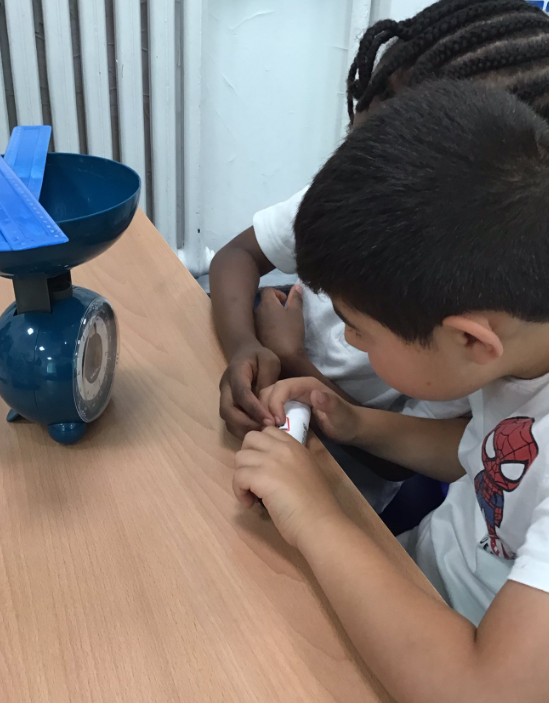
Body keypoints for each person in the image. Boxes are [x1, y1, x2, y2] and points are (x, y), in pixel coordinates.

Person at [233, 80, 549, 703]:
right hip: (410, 585)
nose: (348, 339)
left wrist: (314, 517)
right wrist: (356, 423)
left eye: (359, 328)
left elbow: (485, 689)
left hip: (445, 661)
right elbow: (486, 454)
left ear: (470, 340)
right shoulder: (520, 344)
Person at [210, 0, 549, 511]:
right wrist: (246, 346)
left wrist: (294, 359)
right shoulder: (363, 200)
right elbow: (469, 450)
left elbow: (422, 458)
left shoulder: (470, 317)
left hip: (342, 467)